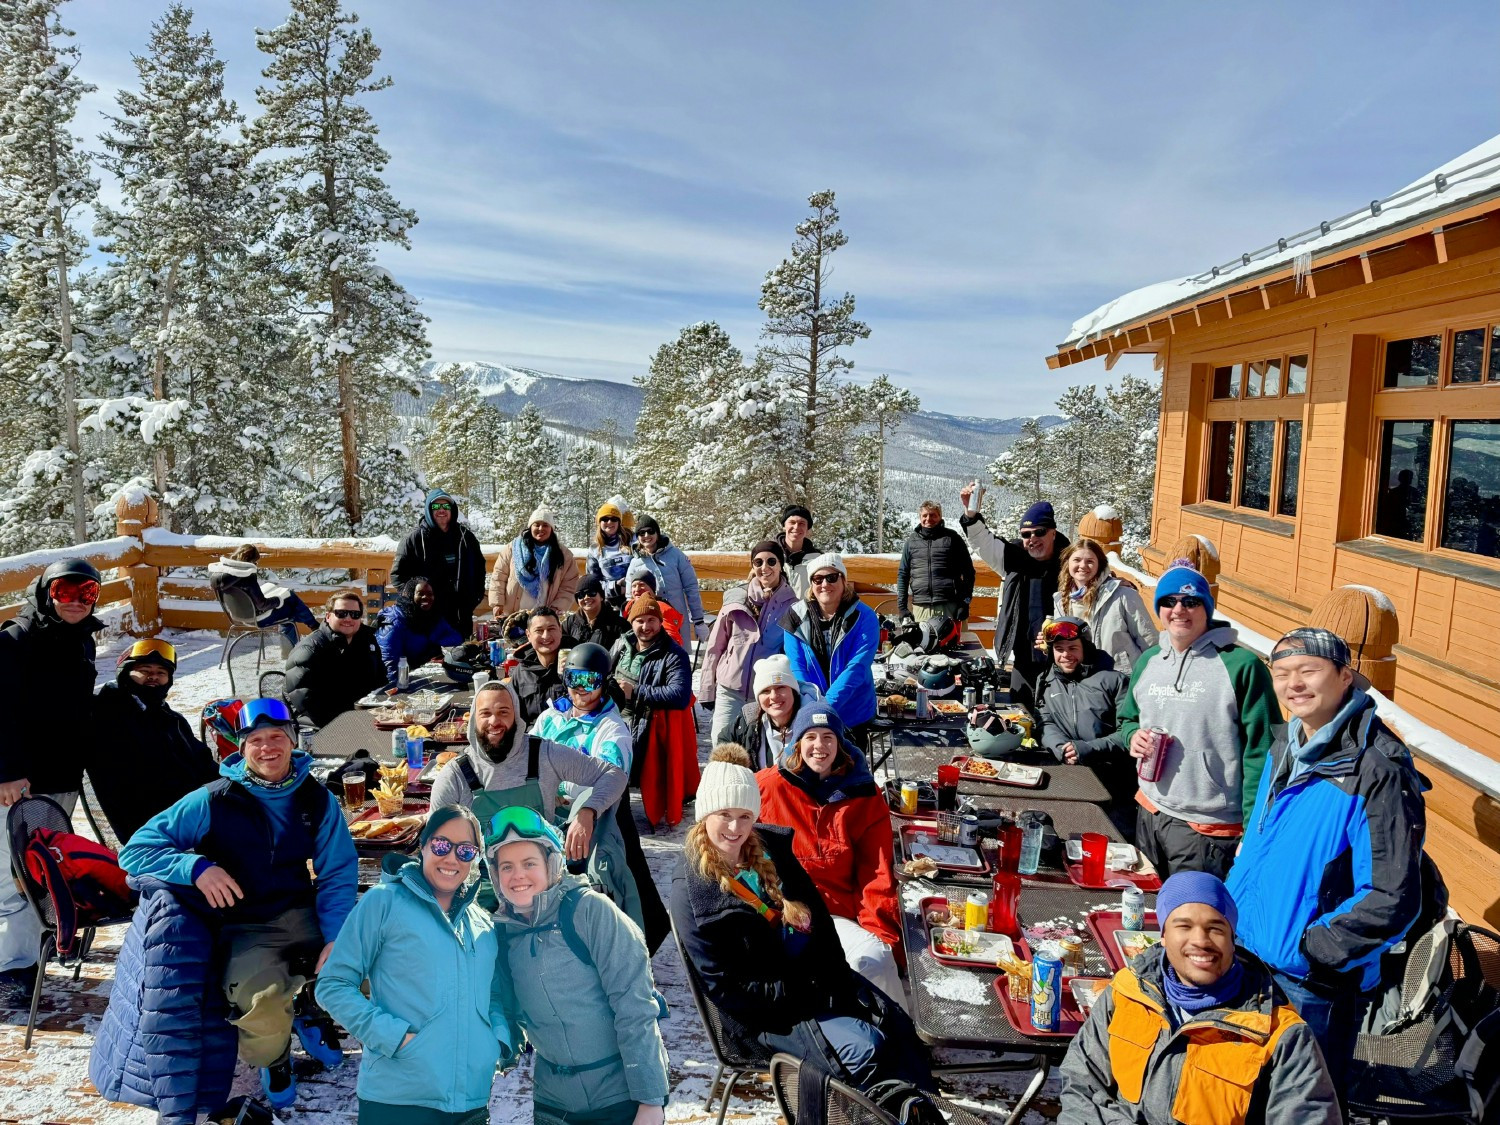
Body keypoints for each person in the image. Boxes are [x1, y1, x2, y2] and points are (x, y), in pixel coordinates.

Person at [119, 698, 358, 1109]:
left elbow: (337, 871)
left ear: (293, 742)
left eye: (277, 738)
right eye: (257, 740)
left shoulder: (316, 799)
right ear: (241, 749)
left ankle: (307, 1008)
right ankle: (274, 1056)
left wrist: (337, 937)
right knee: (258, 998)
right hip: (245, 923)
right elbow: (136, 850)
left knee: (364, 965)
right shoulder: (213, 800)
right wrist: (194, 867)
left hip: (302, 911)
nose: (268, 748)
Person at [1228, 627, 1434, 1090]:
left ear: (1345, 677)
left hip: (1312, 989)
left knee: (1304, 1109)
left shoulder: (1375, 768)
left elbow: (1392, 896)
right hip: (1250, 961)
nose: (1293, 684)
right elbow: (1263, 845)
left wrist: (1312, 950)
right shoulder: (1287, 745)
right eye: (1282, 674)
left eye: (1309, 671)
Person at [671, 745, 933, 1092]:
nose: (736, 828)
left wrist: (834, 979)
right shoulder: (693, 889)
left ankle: (909, 1110)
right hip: (768, 1016)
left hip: (812, 985)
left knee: (896, 1029)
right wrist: (807, 992)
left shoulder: (770, 850)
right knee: (866, 1051)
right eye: (724, 815)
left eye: (745, 816)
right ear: (705, 815)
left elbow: (821, 923)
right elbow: (726, 989)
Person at [1059, 871, 1339, 1125]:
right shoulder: (1128, 991)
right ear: (1163, 936)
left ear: (1232, 938)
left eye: (1215, 928)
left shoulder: (1280, 1035)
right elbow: (1080, 1081)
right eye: (1184, 926)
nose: (1200, 940)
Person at [316, 805, 511, 1125]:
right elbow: (333, 984)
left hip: (470, 1103)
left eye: (465, 850)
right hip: (398, 1099)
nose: (451, 858)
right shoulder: (384, 903)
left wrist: (495, 1044)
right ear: (422, 846)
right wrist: (393, 1037)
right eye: (440, 845)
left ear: (475, 858)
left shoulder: (483, 925)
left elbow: (495, 996)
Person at [488, 806, 670, 1125]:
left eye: (529, 863)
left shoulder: (590, 913)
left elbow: (635, 1005)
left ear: (552, 864)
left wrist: (650, 1100)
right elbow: (494, 1006)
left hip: (619, 1096)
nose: (517, 875)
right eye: (506, 866)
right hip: (554, 1103)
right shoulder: (502, 936)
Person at [1107, 565, 1279, 879]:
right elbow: (1128, 718)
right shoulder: (1149, 661)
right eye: (1169, 601)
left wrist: (1254, 829)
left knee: (1191, 921)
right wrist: (1133, 736)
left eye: (1190, 602)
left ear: (1207, 608)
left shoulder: (1242, 666)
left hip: (1207, 827)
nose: (1178, 610)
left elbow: (1263, 753)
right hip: (1149, 810)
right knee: (1145, 913)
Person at [427, 679, 641, 929]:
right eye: (485, 714)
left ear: (517, 717)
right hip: (483, 904)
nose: (494, 722)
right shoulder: (455, 776)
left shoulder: (544, 755)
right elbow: (435, 852)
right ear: (474, 720)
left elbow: (614, 775)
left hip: (545, 897)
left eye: (503, 712)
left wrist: (587, 811)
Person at [0, 558, 103, 1002]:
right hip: (21, 778)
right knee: (13, 874)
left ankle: (33, 951)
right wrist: (6, 772)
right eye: (66, 591)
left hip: (61, 774)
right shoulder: (15, 641)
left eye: (88, 594)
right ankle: (10, 970)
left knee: (42, 867)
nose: (77, 602)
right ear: (46, 592)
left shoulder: (81, 640)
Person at [755, 704, 902, 1004]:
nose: (819, 746)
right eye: (810, 737)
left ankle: (896, 1037)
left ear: (840, 744)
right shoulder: (768, 786)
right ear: (797, 742)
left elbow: (876, 875)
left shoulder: (864, 796)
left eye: (828, 737)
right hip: (782, 911)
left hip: (837, 916)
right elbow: (730, 832)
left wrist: (881, 936)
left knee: (875, 960)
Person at [531, 643, 670, 953]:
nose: (581, 690)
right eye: (574, 679)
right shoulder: (550, 718)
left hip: (596, 818)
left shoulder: (611, 729)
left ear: (604, 682)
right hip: (550, 818)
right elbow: (531, 759)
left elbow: (610, 778)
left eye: (590, 681)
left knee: (599, 893)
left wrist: (573, 800)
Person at [85, 638, 219, 844]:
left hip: (193, 812)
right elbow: (144, 782)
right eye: (144, 671)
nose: (153, 678)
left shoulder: (168, 717)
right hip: (159, 830)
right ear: (125, 673)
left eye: (161, 673)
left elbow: (202, 762)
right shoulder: (109, 717)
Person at [959, 491, 1070, 701]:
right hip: (1022, 657)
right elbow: (985, 544)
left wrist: (1116, 582)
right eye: (1026, 534)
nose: (1032, 539)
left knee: (1055, 719)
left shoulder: (1070, 562)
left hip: (1061, 659)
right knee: (1021, 713)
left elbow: (1094, 571)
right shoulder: (1016, 558)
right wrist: (971, 517)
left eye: (1040, 532)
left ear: (1053, 532)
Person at [1032, 617, 1136, 821]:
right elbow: (1044, 722)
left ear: (1086, 648)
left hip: (1111, 778)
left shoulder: (1114, 681)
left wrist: (1087, 749)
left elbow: (1128, 732)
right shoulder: (1046, 681)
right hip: (1067, 772)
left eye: (1073, 648)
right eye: (1059, 649)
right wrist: (1060, 747)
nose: (1065, 655)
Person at [610, 594, 697, 829]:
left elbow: (679, 695)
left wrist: (635, 691)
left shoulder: (673, 654)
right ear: (631, 622)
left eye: (651, 620)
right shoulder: (621, 644)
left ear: (660, 622)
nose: (646, 626)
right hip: (615, 720)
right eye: (640, 620)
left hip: (649, 724)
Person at [703, 539, 799, 748]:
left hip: (766, 693)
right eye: (758, 562)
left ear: (781, 565)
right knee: (721, 745)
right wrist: (707, 689)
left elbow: (795, 654)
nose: (765, 568)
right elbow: (715, 647)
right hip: (730, 688)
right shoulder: (736, 600)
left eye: (771, 561)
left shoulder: (792, 606)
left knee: (759, 749)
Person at [781, 553, 879, 734]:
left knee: (851, 762)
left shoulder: (865, 617)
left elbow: (856, 667)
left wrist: (826, 706)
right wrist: (812, 705)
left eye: (831, 577)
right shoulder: (795, 617)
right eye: (818, 579)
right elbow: (797, 666)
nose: (825, 584)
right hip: (810, 708)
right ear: (812, 585)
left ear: (843, 581)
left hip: (854, 712)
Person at [1051, 537, 1158, 673]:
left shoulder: (1122, 595)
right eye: (1077, 560)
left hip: (1121, 678)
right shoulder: (1061, 600)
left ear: (1099, 565)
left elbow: (1149, 640)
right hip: (1083, 678)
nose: (1083, 565)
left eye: (1090, 561)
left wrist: (1153, 676)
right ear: (1068, 563)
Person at [392, 488, 487, 637]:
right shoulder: (414, 539)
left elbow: (480, 569)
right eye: (436, 507)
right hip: (426, 618)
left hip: (460, 616)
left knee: (460, 657)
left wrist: (474, 598)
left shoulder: (466, 538)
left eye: (446, 506)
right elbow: (398, 576)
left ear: (453, 509)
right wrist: (414, 602)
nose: (441, 510)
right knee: (429, 659)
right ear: (429, 510)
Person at [284, 591, 387, 727]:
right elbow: (306, 703)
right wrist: (352, 722)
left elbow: (379, 679)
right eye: (341, 613)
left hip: (363, 717)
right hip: (322, 726)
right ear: (327, 616)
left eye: (355, 614)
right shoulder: (309, 650)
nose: (348, 619)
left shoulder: (367, 641)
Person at [208, 543, 318, 656]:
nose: (256, 565)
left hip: (237, 616)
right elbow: (262, 605)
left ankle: (311, 630)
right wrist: (278, 599)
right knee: (290, 605)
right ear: (250, 561)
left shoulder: (222, 573)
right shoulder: (246, 574)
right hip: (258, 617)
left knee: (290, 605)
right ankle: (313, 631)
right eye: (256, 562)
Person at [729, 655, 822, 771]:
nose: (773, 696)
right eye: (765, 691)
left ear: (793, 691)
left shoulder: (819, 721)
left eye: (780, 688)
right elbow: (724, 750)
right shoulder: (748, 719)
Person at [488, 505, 580, 618]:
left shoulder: (564, 555)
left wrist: (556, 608)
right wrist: (497, 603)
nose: (541, 528)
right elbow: (498, 577)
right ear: (530, 527)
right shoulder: (512, 549)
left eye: (545, 525)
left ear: (551, 528)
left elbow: (569, 586)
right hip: (513, 614)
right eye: (537, 524)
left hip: (544, 616)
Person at [630, 515, 707, 642]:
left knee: (679, 655)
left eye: (650, 531)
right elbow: (630, 597)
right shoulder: (635, 562)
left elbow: (691, 588)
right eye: (641, 533)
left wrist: (698, 621)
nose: (646, 535)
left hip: (677, 616)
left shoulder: (676, 555)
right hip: (649, 622)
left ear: (657, 533)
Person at [895, 501, 975, 625]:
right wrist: (902, 608)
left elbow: (969, 572)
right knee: (922, 643)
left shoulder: (953, 539)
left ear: (940, 516)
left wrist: (964, 603)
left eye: (933, 515)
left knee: (954, 644)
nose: (928, 519)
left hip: (950, 606)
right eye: (925, 515)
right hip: (921, 608)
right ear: (920, 517)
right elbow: (903, 575)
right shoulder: (912, 542)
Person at [375, 577, 463, 688]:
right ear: (410, 595)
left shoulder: (432, 616)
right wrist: (399, 690)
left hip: (423, 675)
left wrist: (434, 640)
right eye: (420, 593)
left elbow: (457, 637)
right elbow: (390, 664)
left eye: (430, 594)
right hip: (397, 681)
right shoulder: (394, 622)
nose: (426, 597)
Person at [509, 605, 566, 724]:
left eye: (551, 629)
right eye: (539, 631)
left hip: (569, 738)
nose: (546, 636)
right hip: (532, 738)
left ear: (560, 630)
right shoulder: (522, 671)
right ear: (528, 635)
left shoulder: (579, 663)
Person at [624, 559, 684, 645]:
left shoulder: (660, 607)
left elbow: (671, 636)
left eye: (642, 585)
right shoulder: (627, 607)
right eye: (634, 586)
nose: (637, 589)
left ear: (652, 588)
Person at [562, 573, 629, 651]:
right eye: (581, 595)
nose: (586, 597)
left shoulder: (619, 626)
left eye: (591, 593)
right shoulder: (570, 622)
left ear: (601, 597)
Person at [586, 502, 634, 608]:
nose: (609, 522)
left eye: (614, 519)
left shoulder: (631, 541)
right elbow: (592, 583)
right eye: (605, 519)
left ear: (619, 522)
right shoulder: (595, 550)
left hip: (635, 599)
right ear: (599, 522)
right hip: (611, 605)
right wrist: (616, 587)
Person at [777, 504, 820, 598]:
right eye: (792, 522)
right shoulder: (771, 554)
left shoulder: (817, 558)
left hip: (805, 611)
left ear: (807, 528)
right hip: (775, 612)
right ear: (784, 526)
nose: (796, 527)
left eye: (802, 523)